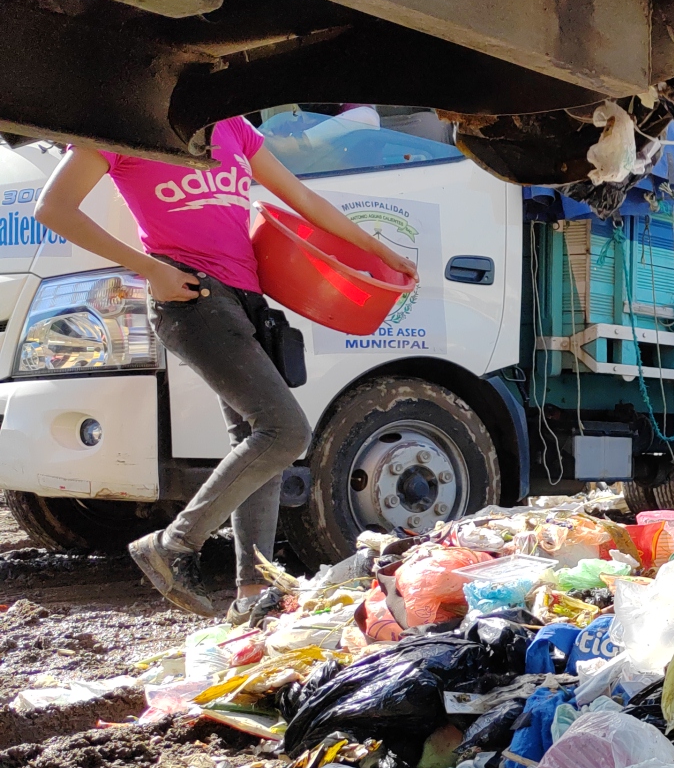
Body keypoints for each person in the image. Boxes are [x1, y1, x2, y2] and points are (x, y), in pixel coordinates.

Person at [34, 115, 416, 620]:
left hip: (244, 302)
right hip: (191, 297)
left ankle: (250, 595)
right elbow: (53, 209)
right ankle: (172, 545)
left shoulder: (234, 127)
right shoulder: (125, 122)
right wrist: (151, 270)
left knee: (260, 447)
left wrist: (380, 253)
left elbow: (305, 201)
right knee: (283, 432)